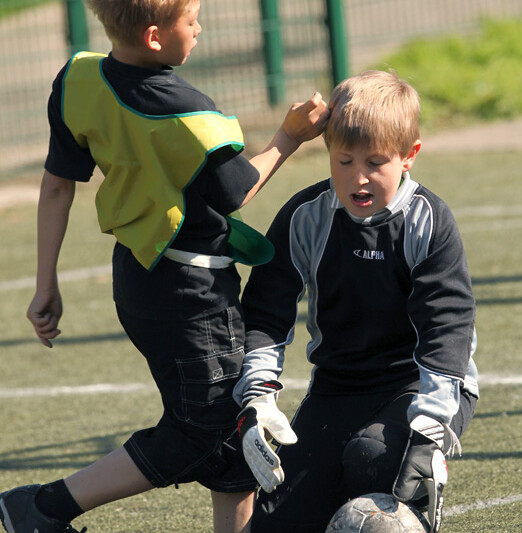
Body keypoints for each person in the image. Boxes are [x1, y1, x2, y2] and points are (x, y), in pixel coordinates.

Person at [0, 1, 329, 532]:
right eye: (191, 20)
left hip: (137, 277)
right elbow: (238, 190)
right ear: (155, 37)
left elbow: (58, 185)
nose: (199, 28)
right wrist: (289, 136)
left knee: (233, 447)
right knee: (211, 430)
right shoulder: (188, 112)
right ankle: (42, 507)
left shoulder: (77, 79)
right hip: (191, 293)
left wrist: (46, 283)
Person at [233, 70, 479, 533]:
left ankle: (421, 498)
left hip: (418, 384)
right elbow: (266, 310)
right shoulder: (305, 216)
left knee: (373, 458)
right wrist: (258, 397)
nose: (358, 177)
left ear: (409, 156)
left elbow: (448, 326)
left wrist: (431, 426)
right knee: (278, 524)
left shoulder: (428, 220)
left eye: (375, 162)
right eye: (343, 160)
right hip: (339, 385)